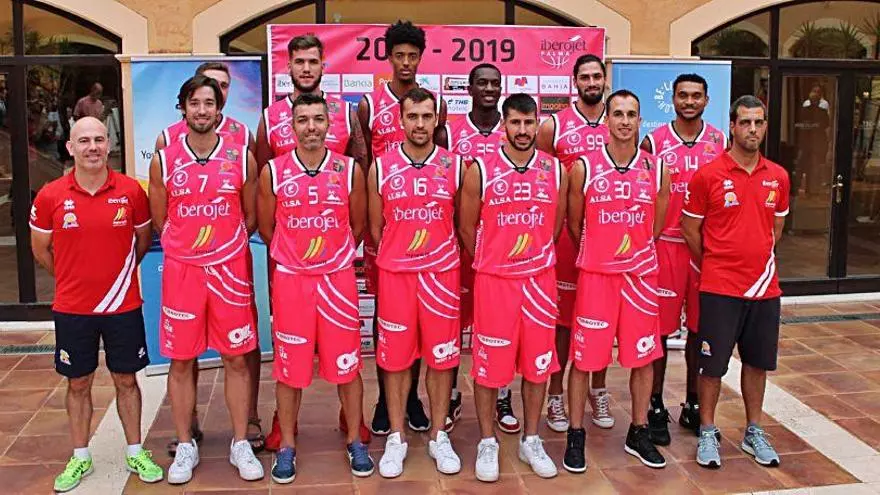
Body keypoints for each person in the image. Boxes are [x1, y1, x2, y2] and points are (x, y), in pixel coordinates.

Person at [30, 116, 162, 492]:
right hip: (73, 308)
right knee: (78, 382)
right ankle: (80, 456)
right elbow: (40, 249)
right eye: (84, 140)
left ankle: (135, 450)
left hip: (122, 305)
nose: (93, 147)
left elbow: (142, 242)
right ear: (70, 147)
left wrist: (116, 277)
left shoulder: (131, 191)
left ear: (109, 144)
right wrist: (72, 278)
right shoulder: (51, 195)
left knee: (127, 380)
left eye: (99, 139)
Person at [256, 34, 371, 450]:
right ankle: (282, 423)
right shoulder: (270, 116)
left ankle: (350, 418)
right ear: (287, 66)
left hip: (333, 255)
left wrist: (338, 243)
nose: (306, 68)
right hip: (290, 256)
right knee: (291, 350)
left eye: (312, 61)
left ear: (324, 65)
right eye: (298, 62)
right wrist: (288, 245)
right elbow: (262, 177)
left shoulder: (344, 112)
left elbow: (360, 168)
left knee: (343, 351)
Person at [148, 75, 263, 484]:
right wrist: (189, 248)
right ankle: (185, 444)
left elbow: (250, 216)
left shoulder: (241, 156)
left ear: (219, 109)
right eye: (194, 103)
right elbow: (160, 219)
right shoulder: (164, 159)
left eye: (209, 103)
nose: (202, 110)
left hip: (229, 269)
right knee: (181, 360)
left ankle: (240, 442)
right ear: (183, 108)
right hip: (184, 271)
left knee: (236, 358)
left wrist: (222, 245)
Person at [459, 93, 567, 482]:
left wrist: (532, 258)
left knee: (538, 366)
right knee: (489, 367)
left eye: (529, 122)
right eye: (515, 123)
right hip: (495, 283)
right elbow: (466, 227)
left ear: (538, 124)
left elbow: (556, 226)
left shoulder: (555, 169)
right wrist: (495, 261)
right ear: (503, 125)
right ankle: (487, 440)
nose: (522, 130)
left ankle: (531, 438)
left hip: (539, 281)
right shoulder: (480, 169)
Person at [565, 89, 670, 472]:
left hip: (640, 278)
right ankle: (576, 433)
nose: (625, 121)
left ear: (640, 120)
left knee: (643, 359)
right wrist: (602, 253)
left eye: (631, 114)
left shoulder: (657, 169)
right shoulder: (584, 167)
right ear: (606, 120)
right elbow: (575, 224)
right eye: (618, 114)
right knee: (583, 360)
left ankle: (638, 432)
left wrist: (632, 253)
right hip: (597, 278)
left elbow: (656, 226)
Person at [681, 95, 789, 469]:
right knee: (712, 366)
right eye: (745, 122)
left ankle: (753, 431)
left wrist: (754, 259)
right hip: (719, 289)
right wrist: (717, 262)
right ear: (732, 126)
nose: (752, 130)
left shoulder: (778, 176)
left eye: (758, 122)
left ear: (765, 126)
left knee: (757, 364)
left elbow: (777, 229)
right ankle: (708, 431)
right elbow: (690, 230)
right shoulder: (708, 175)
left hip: (764, 288)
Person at [358, 20, 447, 436]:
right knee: (388, 319)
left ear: (420, 58)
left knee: (425, 318)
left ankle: (412, 399)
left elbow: (441, 155)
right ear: (389, 57)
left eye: (413, 56)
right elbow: (363, 162)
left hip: (424, 225)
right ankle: (386, 397)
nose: (406, 62)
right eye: (399, 56)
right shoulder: (369, 104)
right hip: (388, 229)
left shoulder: (432, 103)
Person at [368, 88, 462, 478]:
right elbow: (376, 229)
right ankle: (396, 435)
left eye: (426, 116)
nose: (420, 124)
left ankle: (439, 434)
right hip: (397, 278)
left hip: (441, 277)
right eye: (413, 116)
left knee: (441, 359)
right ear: (401, 120)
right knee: (395, 360)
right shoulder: (381, 166)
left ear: (436, 119)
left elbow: (463, 224)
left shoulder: (455, 166)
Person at [640, 73, 726, 445]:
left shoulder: (719, 141)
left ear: (706, 100)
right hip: (666, 246)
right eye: (683, 95)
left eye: (696, 96)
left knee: (700, 331)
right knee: (659, 331)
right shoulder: (654, 142)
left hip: (705, 250)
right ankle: (655, 404)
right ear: (672, 100)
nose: (689, 101)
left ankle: (692, 402)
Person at [536, 54, 613, 433]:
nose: (592, 82)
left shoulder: (618, 122)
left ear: (605, 80)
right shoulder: (554, 126)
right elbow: (540, 176)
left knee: (602, 318)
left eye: (597, 76)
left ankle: (598, 389)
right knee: (563, 323)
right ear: (575, 82)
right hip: (567, 238)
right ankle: (555, 395)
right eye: (585, 77)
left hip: (606, 237)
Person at [442, 62, 520, 435]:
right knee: (453, 324)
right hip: (459, 245)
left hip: (503, 252)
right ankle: (451, 394)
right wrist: (473, 250)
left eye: (495, 83)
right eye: (482, 83)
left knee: (501, 326)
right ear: (469, 88)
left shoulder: (513, 131)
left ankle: (502, 394)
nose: (489, 89)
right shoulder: (450, 132)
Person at [156, 62, 255, 151]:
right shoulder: (168, 138)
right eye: (211, 83)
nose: (218, 90)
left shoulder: (244, 134)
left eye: (223, 85)